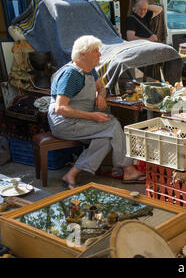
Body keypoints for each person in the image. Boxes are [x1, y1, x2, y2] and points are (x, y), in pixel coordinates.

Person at [48, 35, 146, 190]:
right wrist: (92, 116)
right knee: (112, 124)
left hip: (80, 119)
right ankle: (127, 169)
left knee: (106, 137)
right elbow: (60, 108)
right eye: (95, 51)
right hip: (64, 122)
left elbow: (102, 86)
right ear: (83, 54)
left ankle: (72, 174)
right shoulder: (71, 75)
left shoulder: (89, 70)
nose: (100, 55)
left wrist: (101, 95)